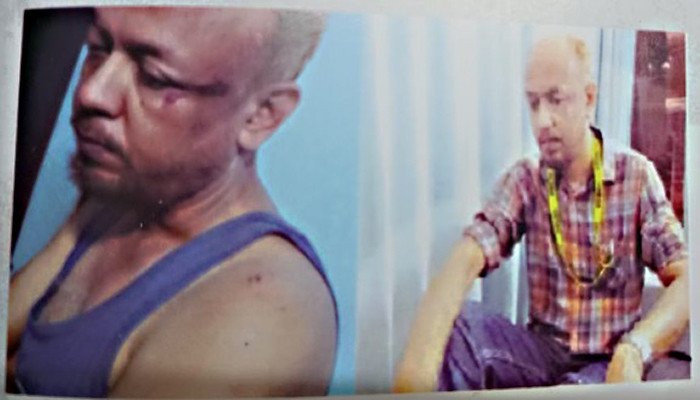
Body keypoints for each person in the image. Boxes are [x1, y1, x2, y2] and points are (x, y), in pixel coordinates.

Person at [6, 7, 337, 398]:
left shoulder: (260, 310)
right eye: (97, 49)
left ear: (261, 115)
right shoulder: (130, 190)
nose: (91, 93)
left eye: (154, 78)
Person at [393, 36, 689, 392]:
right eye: (533, 103)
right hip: (540, 352)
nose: (542, 120)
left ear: (589, 98)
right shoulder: (527, 177)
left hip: (605, 361)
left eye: (555, 99)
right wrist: (419, 364)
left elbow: (688, 279)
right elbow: (468, 255)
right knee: (456, 327)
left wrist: (635, 350)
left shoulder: (636, 175)